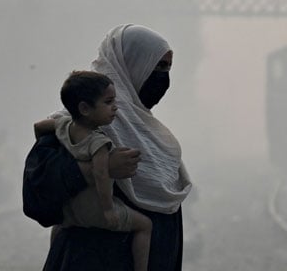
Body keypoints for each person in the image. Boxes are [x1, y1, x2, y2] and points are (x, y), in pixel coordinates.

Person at [32, 24, 192, 271]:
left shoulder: (150, 133)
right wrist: (100, 168)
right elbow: (39, 187)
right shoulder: (78, 122)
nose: (163, 77)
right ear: (131, 65)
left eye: (167, 67)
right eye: (157, 66)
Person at [37, 70, 152, 271]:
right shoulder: (100, 142)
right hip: (95, 210)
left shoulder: (64, 125)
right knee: (145, 226)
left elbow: (38, 127)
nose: (115, 107)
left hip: (70, 208)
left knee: (60, 227)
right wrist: (107, 209)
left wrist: (45, 144)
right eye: (108, 102)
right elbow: (101, 174)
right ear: (85, 108)